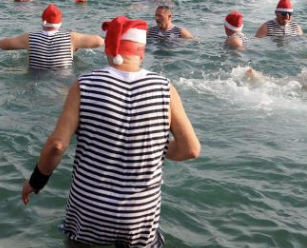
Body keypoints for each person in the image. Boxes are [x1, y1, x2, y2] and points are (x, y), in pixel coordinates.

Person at [20, 15, 200, 247]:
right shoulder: (165, 88)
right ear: (141, 52)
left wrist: (35, 182)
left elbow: (57, 145)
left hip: (89, 211)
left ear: (108, 48)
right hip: (139, 215)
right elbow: (191, 149)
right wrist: (155, 145)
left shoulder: (85, 84)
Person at [0, 4, 104, 70]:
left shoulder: (29, 38)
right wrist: (77, 45)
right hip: (63, 79)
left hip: (35, 78)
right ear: (60, 23)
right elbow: (99, 41)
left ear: (42, 21)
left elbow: (2, 44)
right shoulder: (71, 38)